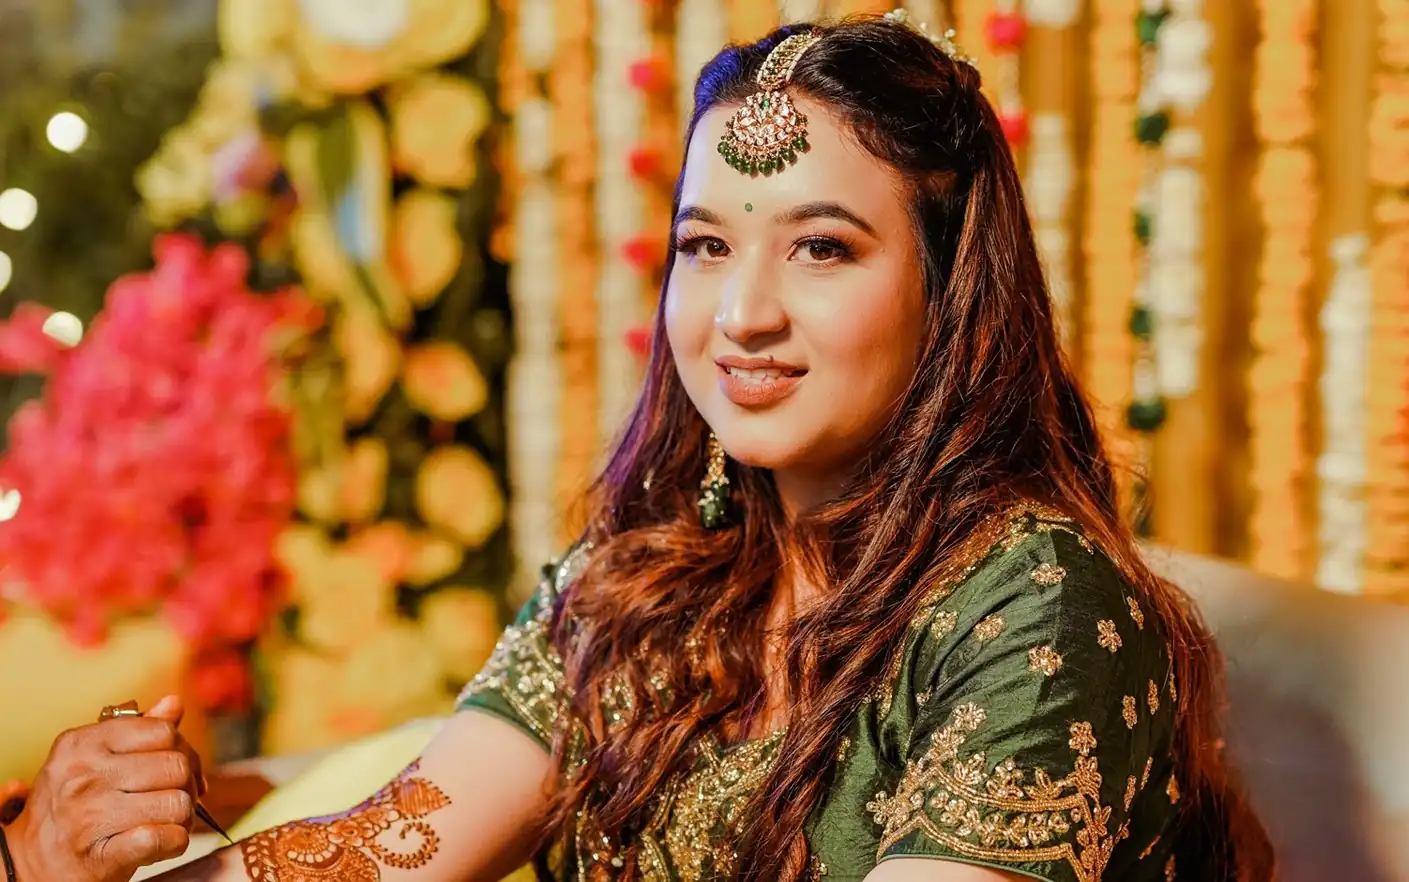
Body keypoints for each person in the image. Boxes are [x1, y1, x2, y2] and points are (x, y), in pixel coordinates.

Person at [0, 13, 1274, 882]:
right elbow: (391, 845)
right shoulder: (652, 575)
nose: (740, 314)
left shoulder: (1036, 610)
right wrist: (50, 863)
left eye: (822, 247)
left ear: (951, 296)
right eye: (706, 245)